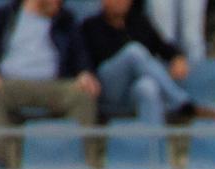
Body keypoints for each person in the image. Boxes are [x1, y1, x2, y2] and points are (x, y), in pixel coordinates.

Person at [0, 0, 98, 167]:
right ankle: (13, 162)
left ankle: (73, 160)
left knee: (83, 95)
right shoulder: (5, 15)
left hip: (54, 84)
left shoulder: (65, 19)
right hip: (12, 83)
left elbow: (80, 53)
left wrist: (84, 72)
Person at [79, 0, 207, 125]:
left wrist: (176, 57)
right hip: (105, 88)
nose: (120, 2)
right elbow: (84, 59)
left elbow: (161, 45)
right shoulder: (90, 25)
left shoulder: (139, 22)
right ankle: (183, 102)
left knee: (147, 87)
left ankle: (152, 144)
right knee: (134, 51)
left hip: (131, 90)